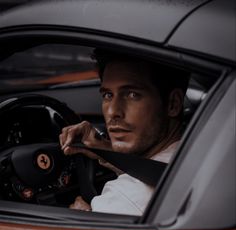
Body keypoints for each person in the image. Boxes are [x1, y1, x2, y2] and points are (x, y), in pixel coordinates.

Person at [59, 49, 189, 215]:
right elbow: (152, 169)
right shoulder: (203, 146)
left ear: (173, 104)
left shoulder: (124, 199)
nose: (113, 111)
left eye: (132, 94)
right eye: (107, 95)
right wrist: (104, 150)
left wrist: (83, 219)